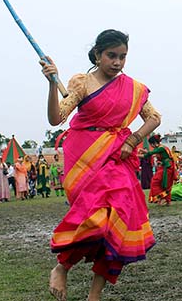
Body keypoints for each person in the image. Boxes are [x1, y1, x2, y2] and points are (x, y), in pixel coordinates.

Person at [41, 29, 160, 300]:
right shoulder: (82, 83)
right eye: (111, 56)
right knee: (94, 220)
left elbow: (154, 117)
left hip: (118, 158)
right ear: (97, 54)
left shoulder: (134, 88)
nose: (117, 62)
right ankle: (61, 267)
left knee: (116, 224)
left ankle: (94, 296)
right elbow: (56, 117)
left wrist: (132, 141)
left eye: (122, 57)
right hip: (84, 158)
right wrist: (51, 84)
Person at [143, 134, 176, 205]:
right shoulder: (160, 148)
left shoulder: (161, 148)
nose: (151, 146)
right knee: (164, 184)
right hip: (165, 167)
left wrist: (139, 153)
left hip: (167, 167)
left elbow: (150, 153)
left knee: (155, 182)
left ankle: (162, 198)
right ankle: (166, 200)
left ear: (154, 143)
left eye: (151, 144)